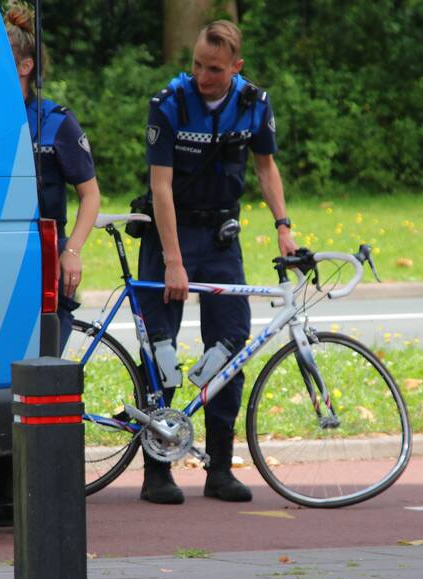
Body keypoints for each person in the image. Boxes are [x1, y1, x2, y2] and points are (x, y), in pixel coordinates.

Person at [138, 20, 297, 505]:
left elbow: (266, 167)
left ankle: (220, 470)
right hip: (170, 234)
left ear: (236, 67)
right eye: (197, 66)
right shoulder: (169, 103)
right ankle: (157, 471)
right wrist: (173, 261)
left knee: (229, 349)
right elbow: (161, 186)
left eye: (214, 70)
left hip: (221, 236)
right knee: (160, 353)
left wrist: (284, 226)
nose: (203, 77)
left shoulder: (254, 103)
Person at [0, 3, 101, 528]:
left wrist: (73, 250)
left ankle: (34, 496)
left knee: (39, 377)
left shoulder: (55, 122)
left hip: (43, 262)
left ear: (24, 66)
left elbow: (90, 195)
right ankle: (8, 495)